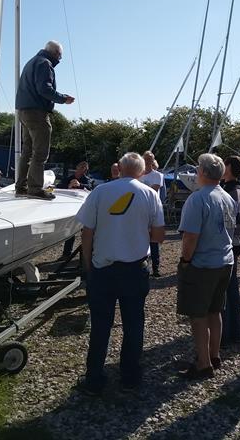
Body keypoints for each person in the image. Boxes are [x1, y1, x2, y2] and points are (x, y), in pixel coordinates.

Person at [75, 152, 165, 395]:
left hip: (103, 268)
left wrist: (87, 264)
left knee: (100, 325)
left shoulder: (100, 192)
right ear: (141, 171)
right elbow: (159, 236)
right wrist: (137, 232)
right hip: (135, 269)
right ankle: (130, 377)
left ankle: (94, 378)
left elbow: (86, 232)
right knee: (134, 324)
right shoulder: (150, 195)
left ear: (120, 168)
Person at [176, 153, 235, 380]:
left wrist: (185, 261)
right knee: (215, 310)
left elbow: (190, 236)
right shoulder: (227, 197)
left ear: (202, 172)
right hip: (224, 261)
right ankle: (214, 354)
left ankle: (203, 363)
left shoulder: (197, 199)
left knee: (198, 314)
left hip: (203, 264)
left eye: (197, 169)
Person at [14, 40, 75, 200]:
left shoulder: (32, 62)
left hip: (23, 111)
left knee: (27, 151)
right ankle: (35, 189)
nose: (59, 61)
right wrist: (63, 99)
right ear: (55, 53)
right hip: (37, 113)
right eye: (60, 57)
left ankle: (21, 187)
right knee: (40, 153)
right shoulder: (45, 63)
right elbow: (45, 89)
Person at [221, 156, 240, 347]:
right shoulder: (236, 189)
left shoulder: (233, 191)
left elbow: (231, 223)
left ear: (229, 167)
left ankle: (229, 332)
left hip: (231, 242)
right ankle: (233, 331)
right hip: (234, 241)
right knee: (230, 289)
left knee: (228, 289)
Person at [59, 161, 94, 259]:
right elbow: (58, 186)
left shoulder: (87, 180)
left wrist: (80, 185)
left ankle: (86, 255)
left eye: (85, 168)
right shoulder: (68, 178)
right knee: (70, 231)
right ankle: (66, 254)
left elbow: (91, 187)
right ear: (77, 167)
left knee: (86, 232)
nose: (83, 169)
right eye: (81, 167)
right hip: (70, 208)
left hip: (84, 208)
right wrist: (68, 186)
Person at [139, 151, 165, 277]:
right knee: (141, 238)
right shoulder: (138, 176)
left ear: (153, 160)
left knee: (154, 241)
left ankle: (156, 267)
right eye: (145, 159)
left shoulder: (158, 175)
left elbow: (153, 191)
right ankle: (143, 266)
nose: (147, 161)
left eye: (149, 159)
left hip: (153, 210)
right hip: (140, 211)